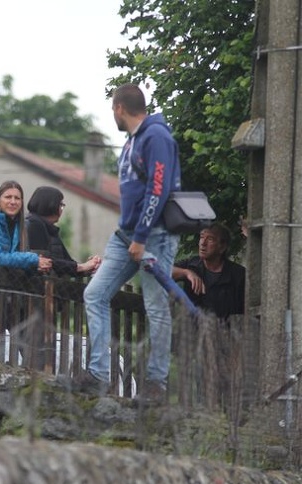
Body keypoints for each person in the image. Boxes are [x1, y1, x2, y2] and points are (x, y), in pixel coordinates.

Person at [76, 83, 181, 402]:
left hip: (154, 237)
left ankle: (156, 383)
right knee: (94, 293)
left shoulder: (156, 137)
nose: (113, 115)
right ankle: (97, 373)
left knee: (155, 306)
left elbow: (158, 189)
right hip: (125, 237)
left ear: (119, 108)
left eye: (112, 109)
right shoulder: (132, 141)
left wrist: (141, 237)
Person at [0, 180, 52, 273]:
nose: (13, 202)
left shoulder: (19, 223)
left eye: (17, 198)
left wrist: (34, 267)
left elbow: (15, 257)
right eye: (8, 197)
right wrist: (32, 260)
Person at [172, 224, 245, 319]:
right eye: (202, 237)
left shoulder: (238, 275)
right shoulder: (191, 265)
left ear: (222, 247)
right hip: (192, 331)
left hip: (225, 331)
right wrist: (186, 273)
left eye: (210, 239)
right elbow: (161, 272)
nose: (203, 243)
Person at [26, 186, 101, 276]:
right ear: (50, 205)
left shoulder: (51, 229)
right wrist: (81, 267)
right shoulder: (34, 224)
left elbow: (66, 262)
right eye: (60, 205)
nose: (61, 210)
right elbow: (46, 261)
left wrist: (90, 266)